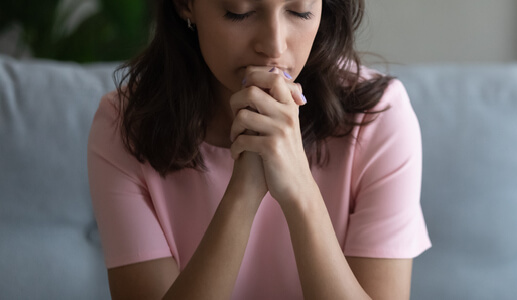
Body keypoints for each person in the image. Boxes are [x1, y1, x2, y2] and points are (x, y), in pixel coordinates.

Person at [87, 0, 431, 298]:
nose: (274, 46)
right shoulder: (125, 127)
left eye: (300, 11)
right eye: (240, 12)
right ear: (185, 4)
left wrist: (300, 193)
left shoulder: (379, 117)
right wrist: (244, 192)